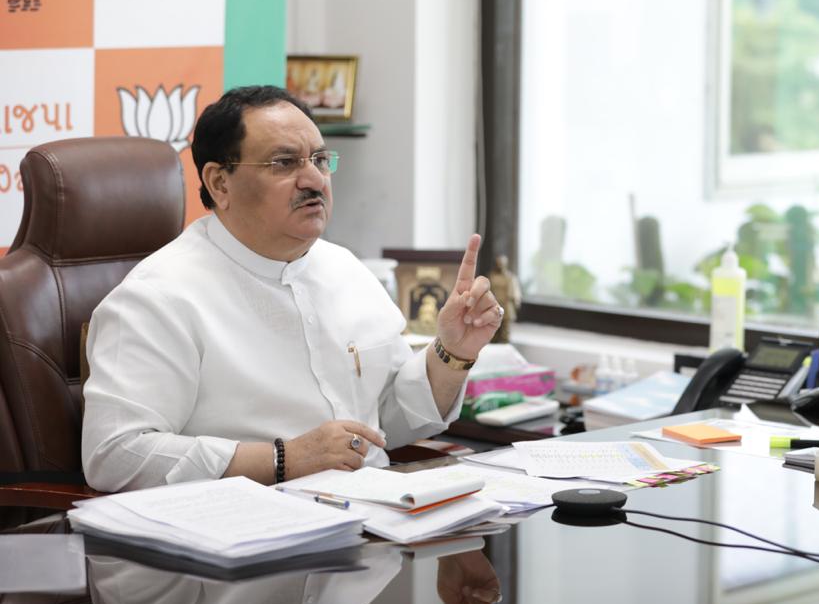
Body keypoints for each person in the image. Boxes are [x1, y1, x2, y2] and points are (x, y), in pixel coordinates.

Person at [81, 86, 503, 492]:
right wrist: (283, 459)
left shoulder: (346, 269)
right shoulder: (159, 297)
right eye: (284, 163)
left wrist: (452, 352)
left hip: (370, 523)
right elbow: (113, 454)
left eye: (320, 160)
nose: (314, 180)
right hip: (244, 540)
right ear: (220, 184)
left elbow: (385, 423)